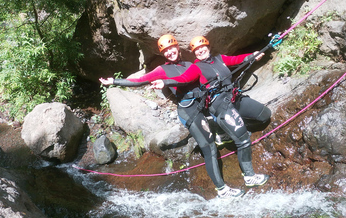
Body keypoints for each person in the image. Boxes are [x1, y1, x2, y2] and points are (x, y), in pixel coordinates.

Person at [100, 34, 244, 198]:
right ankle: (222, 190)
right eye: (165, 51)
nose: (169, 52)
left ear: (177, 48)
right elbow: (140, 81)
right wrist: (114, 81)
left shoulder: (191, 64)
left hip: (201, 105)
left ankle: (221, 132)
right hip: (188, 110)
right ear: (163, 54)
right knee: (209, 147)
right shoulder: (162, 70)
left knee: (222, 112)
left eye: (171, 48)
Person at [151, 36, 271, 190]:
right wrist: (165, 82)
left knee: (264, 114)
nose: (200, 51)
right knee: (243, 138)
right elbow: (184, 79)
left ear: (208, 47)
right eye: (196, 50)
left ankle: (226, 129)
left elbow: (236, 60)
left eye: (202, 47)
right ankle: (249, 176)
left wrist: (251, 56)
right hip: (219, 104)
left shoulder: (219, 58)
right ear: (194, 53)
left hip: (234, 97)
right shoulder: (195, 66)